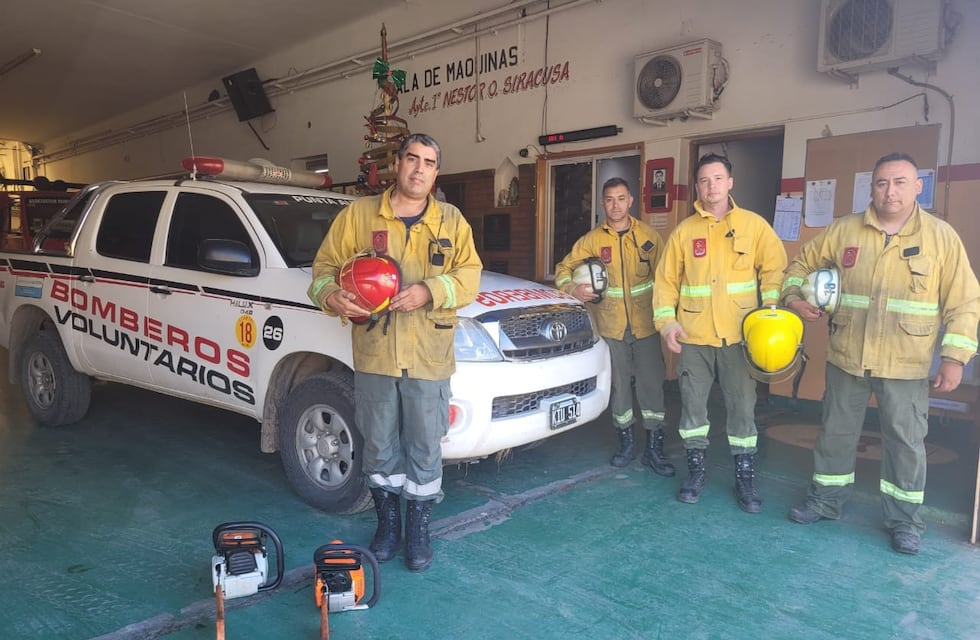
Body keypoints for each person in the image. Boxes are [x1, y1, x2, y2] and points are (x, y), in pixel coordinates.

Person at [780, 152, 980, 555]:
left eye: (900, 182)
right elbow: (799, 266)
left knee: (906, 443)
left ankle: (905, 521)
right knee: (835, 434)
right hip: (847, 355)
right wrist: (795, 299)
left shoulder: (941, 238)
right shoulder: (844, 230)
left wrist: (954, 357)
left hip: (905, 363)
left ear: (918, 186)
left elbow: (964, 302)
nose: (890, 191)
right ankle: (825, 501)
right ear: (871, 188)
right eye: (882, 183)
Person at [308, 133, 483, 571]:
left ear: (436, 172)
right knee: (379, 442)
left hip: (428, 356)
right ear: (398, 164)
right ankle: (388, 525)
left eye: (429, 162)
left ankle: (418, 530)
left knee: (425, 445)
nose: (419, 169)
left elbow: (470, 277)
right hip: (377, 354)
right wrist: (330, 295)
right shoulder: (359, 215)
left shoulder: (451, 221)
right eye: (412, 159)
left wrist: (429, 290)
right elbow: (323, 269)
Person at [653, 153, 787, 512]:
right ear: (697, 187)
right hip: (693, 337)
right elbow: (665, 282)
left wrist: (770, 309)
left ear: (730, 183)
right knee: (693, 409)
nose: (710, 186)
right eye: (703, 180)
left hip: (739, 337)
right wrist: (667, 323)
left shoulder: (754, 226)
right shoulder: (684, 232)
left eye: (717, 178)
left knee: (742, 408)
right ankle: (695, 473)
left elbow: (774, 268)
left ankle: (745, 479)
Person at [555, 177, 674, 477]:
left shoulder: (648, 236)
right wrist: (572, 289)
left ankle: (654, 448)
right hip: (611, 327)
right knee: (619, 387)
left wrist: (669, 317)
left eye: (621, 198)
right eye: (609, 199)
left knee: (651, 385)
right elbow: (562, 270)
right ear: (602, 203)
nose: (615, 205)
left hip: (646, 325)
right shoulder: (592, 241)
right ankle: (626, 444)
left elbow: (667, 277)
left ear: (631, 201)